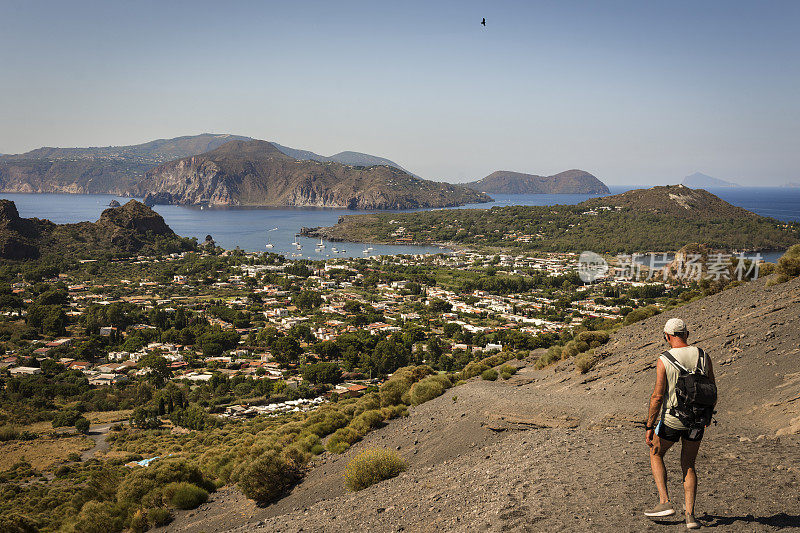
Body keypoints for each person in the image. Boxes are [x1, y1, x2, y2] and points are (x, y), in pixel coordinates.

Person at [644, 318, 716, 530]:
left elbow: (657, 396)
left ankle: (665, 502)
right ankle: (690, 517)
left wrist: (649, 425)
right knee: (689, 464)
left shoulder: (665, 359)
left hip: (673, 420)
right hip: (697, 420)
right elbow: (712, 388)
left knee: (656, 453)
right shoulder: (703, 355)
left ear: (667, 336)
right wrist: (706, 415)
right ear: (687, 333)